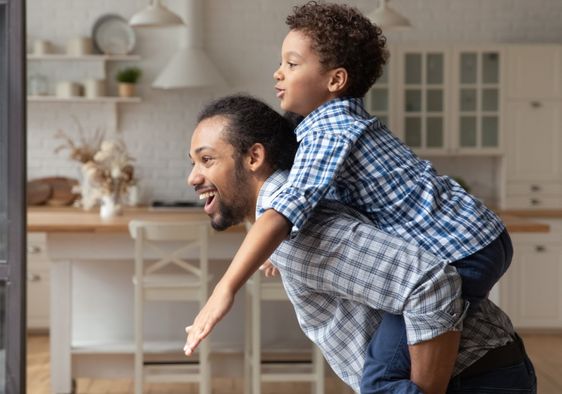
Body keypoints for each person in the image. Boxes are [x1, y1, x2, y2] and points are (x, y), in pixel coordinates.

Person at [185, 2, 514, 393]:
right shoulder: (328, 131)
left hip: (463, 246)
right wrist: (271, 246)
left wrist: (224, 290)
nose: (278, 72)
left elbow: (287, 211)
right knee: (383, 370)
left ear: (336, 80)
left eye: (292, 64)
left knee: (380, 378)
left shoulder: (330, 130)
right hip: (474, 238)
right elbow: (313, 204)